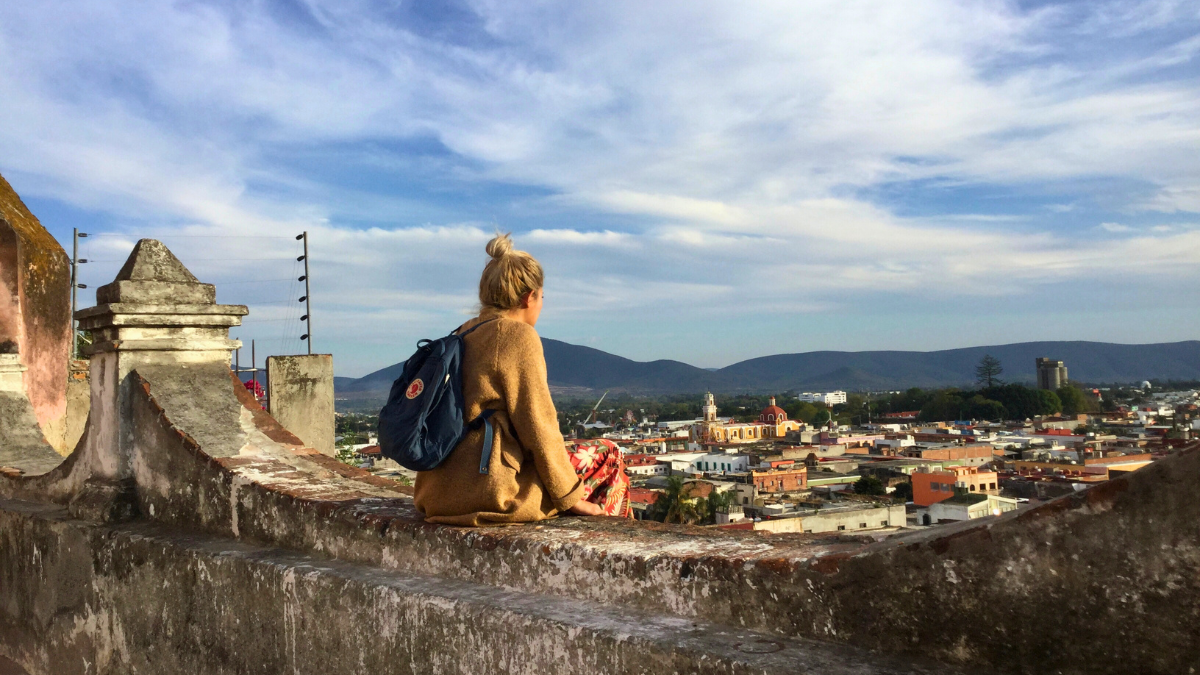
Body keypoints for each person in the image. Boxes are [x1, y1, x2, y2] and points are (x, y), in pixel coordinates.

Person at [413, 233, 631, 526]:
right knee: (610, 454)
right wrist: (570, 497)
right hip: (491, 492)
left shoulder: (463, 332)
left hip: (435, 495)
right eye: (542, 298)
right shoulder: (518, 336)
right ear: (530, 297)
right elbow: (538, 425)